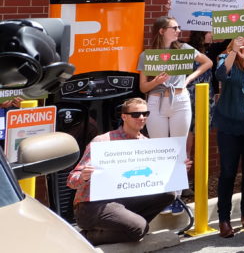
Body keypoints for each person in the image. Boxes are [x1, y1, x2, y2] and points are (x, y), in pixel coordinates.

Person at [65, 98, 183, 245]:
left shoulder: (147, 145)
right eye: (136, 114)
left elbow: (156, 179)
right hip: (92, 206)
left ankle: (129, 227)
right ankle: (86, 237)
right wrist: (83, 176)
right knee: (139, 229)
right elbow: (71, 180)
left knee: (168, 194)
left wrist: (177, 170)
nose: (141, 118)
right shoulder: (103, 141)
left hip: (123, 201)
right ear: (124, 116)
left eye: (145, 114)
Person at [138, 16, 212, 212]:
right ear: (162, 31)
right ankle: (161, 197)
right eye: (174, 28)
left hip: (180, 99)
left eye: (179, 27)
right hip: (156, 100)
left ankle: (176, 197)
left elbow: (207, 63)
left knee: (179, 149)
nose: (178, 30)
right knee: (160, 149)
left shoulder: (184, 50)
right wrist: (156, 81)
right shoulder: (148, 54)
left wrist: (188, 79)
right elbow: (143, 86)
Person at [214, 35, 244, 237]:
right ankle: (223, 219)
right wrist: (235, 52)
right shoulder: (225, 57)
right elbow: (220, 75)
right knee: (227, 172)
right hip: (229, 123)